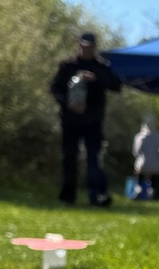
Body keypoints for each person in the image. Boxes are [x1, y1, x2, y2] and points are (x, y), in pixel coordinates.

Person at [50, 32, 122, 206]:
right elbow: (56, 88)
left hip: (93, 120)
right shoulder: (68, 66)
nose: (86, 49)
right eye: (83, 45)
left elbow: (116, 86)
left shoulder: (101, 66)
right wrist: (68, 102)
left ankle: (96, 195)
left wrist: (95, 79)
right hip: (70, 120)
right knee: (69, 157)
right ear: (78, 44)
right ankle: (68, 196)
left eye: (89, 46)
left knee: (94, 158)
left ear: (94, 47)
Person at [132, 118, 159, 200]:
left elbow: (136, 152)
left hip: (142, 165)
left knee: (140, 176)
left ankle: (138, 191)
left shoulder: (139, 136)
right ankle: (155, 194)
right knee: (156, 178)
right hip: (156, 166)